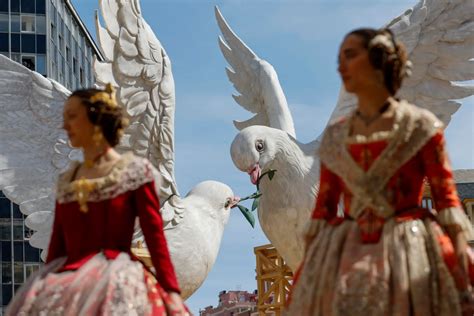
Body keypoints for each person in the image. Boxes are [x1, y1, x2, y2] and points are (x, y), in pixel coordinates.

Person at [285, 28, 473, 316]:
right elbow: (323, 209)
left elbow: (446, 200)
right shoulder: (337, 136)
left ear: (377, 62)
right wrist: (311, 272)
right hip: (345, 247)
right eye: (340, 58)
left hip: (410, 245)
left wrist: (460, 262)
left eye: (349, 56)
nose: (340, 67)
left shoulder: (421, 127)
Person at [7, 84, 189, 315]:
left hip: (117, 281)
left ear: (95, 121)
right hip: (68, 284)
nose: (65, 126)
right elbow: (57, 248)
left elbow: (155, 237)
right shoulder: (68, 179)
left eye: (72, 117)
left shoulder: (134, 172)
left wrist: (170, 291)